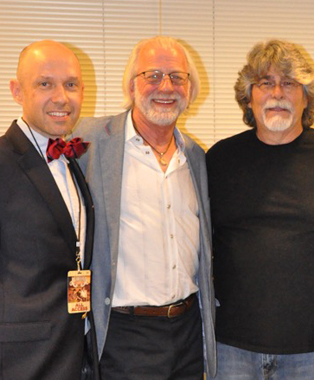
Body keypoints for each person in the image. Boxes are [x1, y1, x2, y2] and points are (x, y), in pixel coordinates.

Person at [206, 39, 314, 379]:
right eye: (265, 83)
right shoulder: (219, 161)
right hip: (232, 346)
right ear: (249, 97)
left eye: (290, 83)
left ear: (306, 97)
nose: (278, 92)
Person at [72, 36, 216, 380]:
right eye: (152, 75)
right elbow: (37, 163)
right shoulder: (87, 140)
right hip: (124, 334)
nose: (165, 87)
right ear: (131, 85)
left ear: (190, 89)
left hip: (187, 331)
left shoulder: (195, 157)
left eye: (177, 77)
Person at [0, 40, 99, 379]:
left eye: (70, 84)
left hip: (75, 356)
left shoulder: (72, 160)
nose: (61, 97)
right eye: (44, 84)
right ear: (17, 91)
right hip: (18, 365)